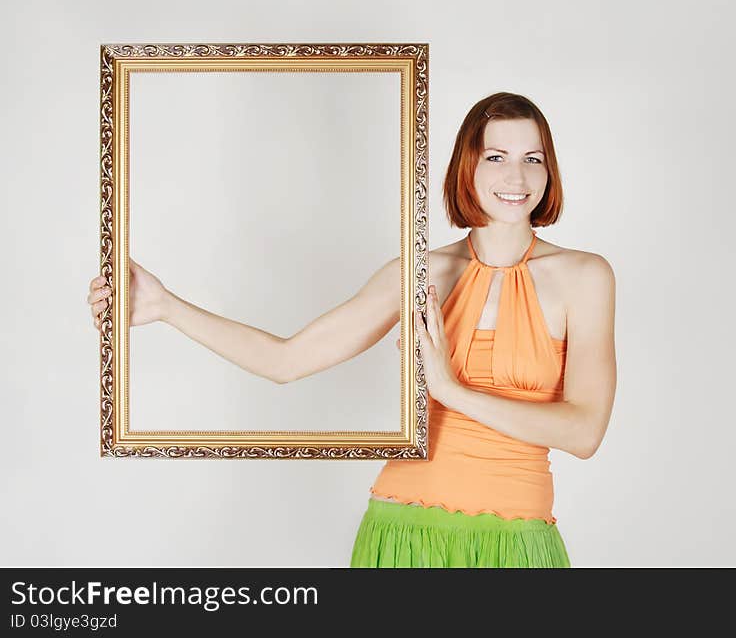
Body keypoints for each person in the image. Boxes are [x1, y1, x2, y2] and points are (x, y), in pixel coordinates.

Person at [86, 92, 617, 568]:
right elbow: (285, 361)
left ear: (550, 173)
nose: (516, 178)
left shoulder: (584, 277)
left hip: (517, 543)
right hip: (402, 535)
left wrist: (451, 391)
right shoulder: (416, 275)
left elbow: (584, 432)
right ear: (467, 166)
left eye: (533, 159)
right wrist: (164, 306)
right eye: (496, 157)